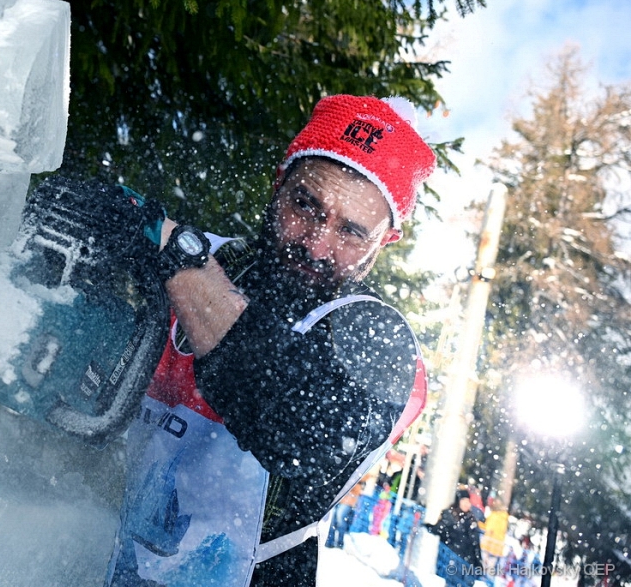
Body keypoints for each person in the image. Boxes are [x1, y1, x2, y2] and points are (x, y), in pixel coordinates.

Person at [104, 95, 435, 586]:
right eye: (306, 205)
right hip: (96, 550)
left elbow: (301, 432)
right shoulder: (211, 257)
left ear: (383, 242)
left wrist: (179, 262)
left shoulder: (379, 341)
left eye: (350, 231)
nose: (316, 245)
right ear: (279, 185)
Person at [427, 488, 485, 587]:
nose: (467, 504)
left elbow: (476, 543)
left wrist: (478, 562)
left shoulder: (471, 519)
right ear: (458, 501)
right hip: (452, 560)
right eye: (464, 501)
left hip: (467, 563)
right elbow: (439, 530)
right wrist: (428, 525)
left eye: (468, 501)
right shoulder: (450, 515)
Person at [325, 480, 363, 549]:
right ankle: (330, 541)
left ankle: (340, 542)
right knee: (332, 520)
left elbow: (365, 478)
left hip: (349, 498)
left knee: (340, 518)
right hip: (339, 496)